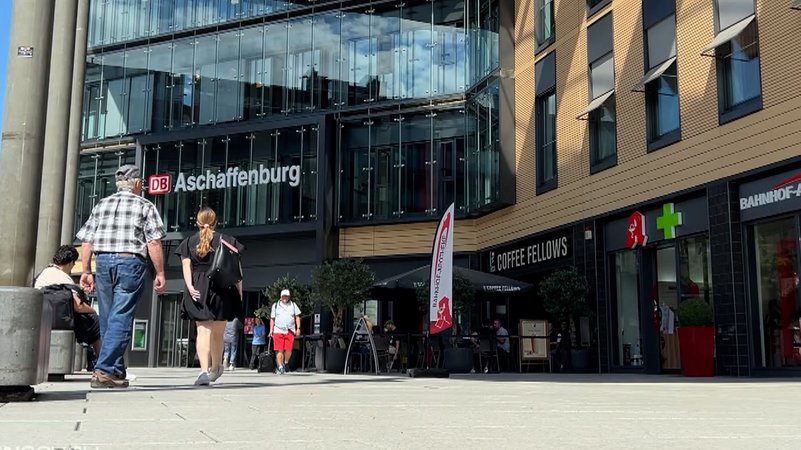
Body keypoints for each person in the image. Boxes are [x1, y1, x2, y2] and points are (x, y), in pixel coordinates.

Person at [76, 165, 166, 389]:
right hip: (130, 261)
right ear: (136, 183)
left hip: (103, 262)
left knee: (108, 317)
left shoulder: (102, 204)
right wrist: (160, 272)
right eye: (141, 183)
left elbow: (87, 240)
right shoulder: (145, 205)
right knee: (122, 316)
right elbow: (153, 241)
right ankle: (105, 369)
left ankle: (115, 370)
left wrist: (86, 270)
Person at [176, 207, 245, 386]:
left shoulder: (189, 242)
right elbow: (237, 270)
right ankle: (216, 368)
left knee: (203, 331)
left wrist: (190, 287)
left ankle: (204, 372)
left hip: (199, 287)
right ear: (216, 222)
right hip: (223, 288)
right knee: (218, 333)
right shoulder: (228, 240)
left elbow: (186, 267)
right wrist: (240, 293)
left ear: (197, 222)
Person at [34, 245, 102, 368]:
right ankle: (103, 363)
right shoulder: (65, 278)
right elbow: (78, 306)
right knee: (97, 324)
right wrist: (93, 311)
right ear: (70, 262)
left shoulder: (42, 275)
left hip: (43, 321)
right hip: (64, 321)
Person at [269, 289, 301, 374]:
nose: (285, 298)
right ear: (280, 297)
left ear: (289, 297)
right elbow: (272, 318)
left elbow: (297, 316)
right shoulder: (275, 305)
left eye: (286, 296)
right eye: (283, 296)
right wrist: (271, 330)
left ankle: (285, 362)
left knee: (288, 349)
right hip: (278, 330)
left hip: (289, 330)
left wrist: (298, 328)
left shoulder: (293, 305)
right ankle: (280, 367)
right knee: (279, 350)